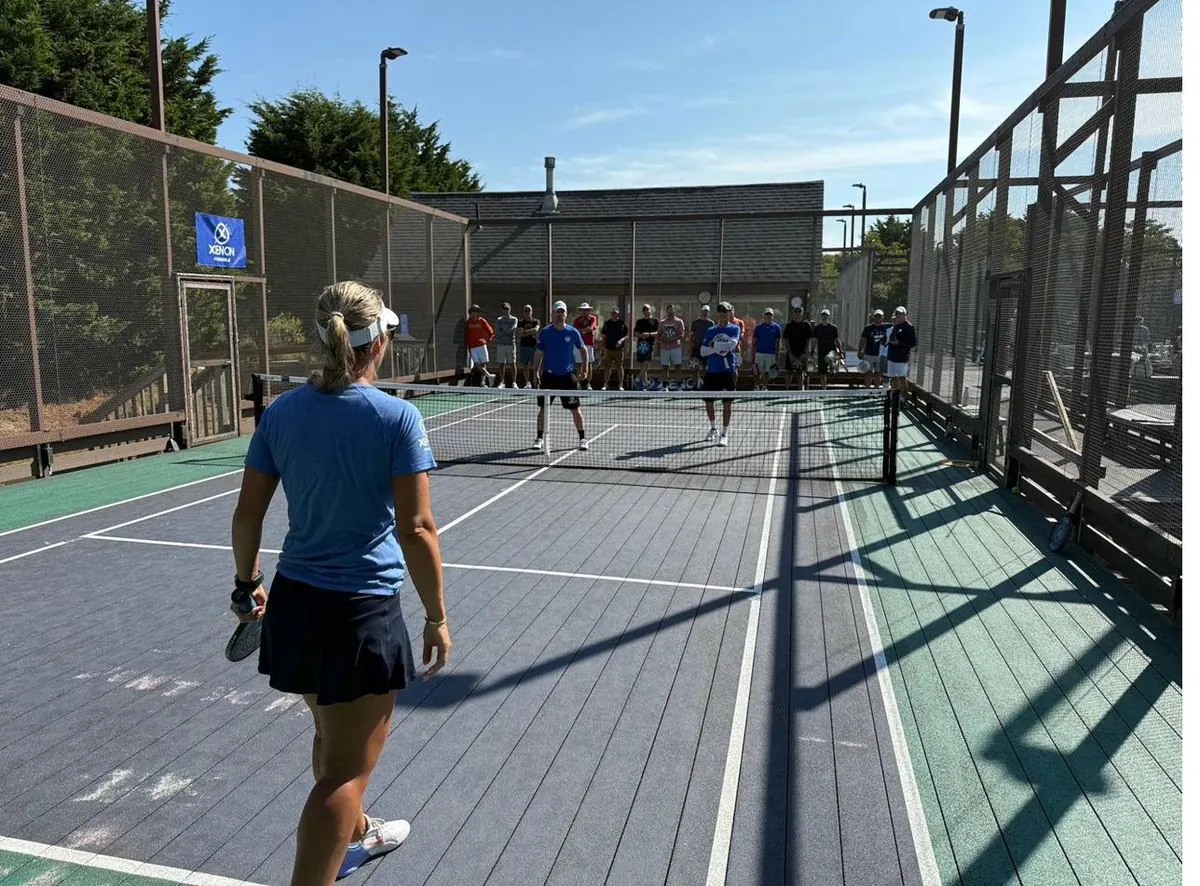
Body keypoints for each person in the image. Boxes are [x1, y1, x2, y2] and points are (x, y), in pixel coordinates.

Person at [231, 281, 450, 886]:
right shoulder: (396, 417)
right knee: (344, 774)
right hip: (360, 614)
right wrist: (436, 616)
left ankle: (359, 833)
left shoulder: (281, 413)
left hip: (295, 605)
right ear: (378, 341)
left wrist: (247, 582)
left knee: (331, 735)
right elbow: (418, 528)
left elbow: (248, 514)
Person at [534, 300, 589, 452]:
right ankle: (539, 438)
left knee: (576, 409)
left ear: (566, 314)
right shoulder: (545, 332)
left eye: (562, 312)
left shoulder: (572, 332)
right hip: (549, 377)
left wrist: (585, 370)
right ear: (553, 313)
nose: (560, 315)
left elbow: (583, 349)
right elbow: (539, 353)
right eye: (557, 312)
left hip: (567, 378)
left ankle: (583, 438)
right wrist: (536, 373)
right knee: (543, 409)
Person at [699, 302, 742, 447]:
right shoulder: (711, 330)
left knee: (727, 404)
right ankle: (713, 428)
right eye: (720, 311)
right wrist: (719, 348)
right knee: (709, 402)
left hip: (727, 371)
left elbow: (732, 346)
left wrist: (713, 346)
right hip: (712, 372)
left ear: (730, 312)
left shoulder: (735, 328)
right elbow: (703, 351)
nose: (722, 313)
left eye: (725, 311)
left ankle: (724, 433)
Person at [885, 306, 918, 396]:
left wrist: (899, 343)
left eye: (900, 314)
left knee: (901, 376)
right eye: (897, 314)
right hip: (892, 356)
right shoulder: (896, 326)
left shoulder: (909, 327)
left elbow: (912, 342)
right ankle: (895, 394)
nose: (898, 316)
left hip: (902, 357)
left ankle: (904, 395)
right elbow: (892, 338)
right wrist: (892, 341)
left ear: (905, 315)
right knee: (893, 376)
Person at [780, 306, 812, 390]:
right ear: (794, 314)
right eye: (796, 312)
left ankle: (800, 390)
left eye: (799, 312)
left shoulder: (806, 325)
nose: (798, 314)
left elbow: (808, 340)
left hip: (802, 353)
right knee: (788, 372)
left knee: (800, 372)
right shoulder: (789, 325)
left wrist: (805, 353)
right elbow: (785, 340)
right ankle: (787, 390)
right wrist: (789, 353)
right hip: (791, 353)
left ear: (802, 313)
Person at [811, 309, 843, 389]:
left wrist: (840, 351)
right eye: (823, 315)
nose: (825, 317)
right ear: (821, 316)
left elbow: (837, 340)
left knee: (829, 357)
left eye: (826, 315)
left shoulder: (833, 328)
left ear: (829, 316)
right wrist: (812, 350)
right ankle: (823, 388)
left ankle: (832, 368)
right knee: (822, 373)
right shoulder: (817, 328)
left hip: (831, 351)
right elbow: (814, 340)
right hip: (821, 351)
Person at [751, 308, 782, 388]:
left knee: (767, 371)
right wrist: (753, 353)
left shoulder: (776, 327)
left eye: (770, 315)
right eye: (766, 315)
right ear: (763, 316)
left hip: (771, 353)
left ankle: (765, 386)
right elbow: (754, 342)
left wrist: (777, 352)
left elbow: (778, 342)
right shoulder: (758, 328)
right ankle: (757, 386)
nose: (768, 316)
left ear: (773, 316)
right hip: (759, 353)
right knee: (757, 371)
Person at [598, 306, 628, 390]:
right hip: (608, 349)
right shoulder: (607, 323)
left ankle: (621, 385)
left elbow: (627, 335)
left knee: (619, 367)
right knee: (607, 367)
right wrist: (602, 348)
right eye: (612, 313)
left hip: (619, 350)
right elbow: (604, 336)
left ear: (618, 314)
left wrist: (621, 341)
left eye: (615, 313)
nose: (614, 314)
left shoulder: (622, 323)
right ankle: (605, 384)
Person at [857, 309, 889, 388]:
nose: (878, 318)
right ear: (873, 317)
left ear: (883, 317)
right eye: (876, 316)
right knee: (868, 372)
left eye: (879, 316)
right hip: (869, 354)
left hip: (881, 355)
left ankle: (876, 390)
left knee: (878, 373)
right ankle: (867, 389)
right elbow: (862, 340)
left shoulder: (887, 327)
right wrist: (860, 350)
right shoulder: (868, 328)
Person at [658, 303, 686, 390]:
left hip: (676, 348)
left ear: (674, 310)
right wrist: (664, 339)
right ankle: (664, 386)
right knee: (665, 367)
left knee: (678, 366)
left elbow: (682, 335)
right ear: (667, 311)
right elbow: (659, 335)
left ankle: (679, 386)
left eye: (672, 309)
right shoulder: (662, 322)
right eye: (669, 309)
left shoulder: (679, 321)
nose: (670, 311)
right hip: (664, 348)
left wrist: (672, 339)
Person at [465, 305, 495, 386]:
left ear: (478, 313)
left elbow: (490, 331)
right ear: (470, 313)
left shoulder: (482, 321)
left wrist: (489, 339)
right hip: (472, 347)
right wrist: (468, 348)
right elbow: (467, 336)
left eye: (475, 311)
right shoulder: (468, 323)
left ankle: (483, 382)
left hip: (481, 346)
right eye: (472, 312)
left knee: (483, 364)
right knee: (476, 364)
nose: (473, 313)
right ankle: (489, 376)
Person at [572, 303, 598, 387]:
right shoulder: (577, 320)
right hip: (578, 344)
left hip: (589, 344)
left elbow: (591, 328)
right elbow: (576, 330)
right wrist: (585, 330)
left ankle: (588, 383)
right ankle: (578, 382)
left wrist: (582, 330)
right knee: (578, 363)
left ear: (589, 311)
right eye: (583, 310)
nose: (584, 311)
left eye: (586, 310)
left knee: (589, 363)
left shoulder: (593, 318)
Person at [633, 304, 659, 390]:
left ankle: (637, 379)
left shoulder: (655, 321)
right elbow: (635, 333)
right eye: (644, 309)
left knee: (647, 363)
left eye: (647, 309)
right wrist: (641, 335)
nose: (646, 311)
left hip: (650, 345)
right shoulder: (639, 321)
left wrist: (648, 334)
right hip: (641, 346)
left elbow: (658, 333)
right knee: (642, 366)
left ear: (651, 310)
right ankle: (645, 384)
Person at [493, 303, 519, 388]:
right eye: (504, 309)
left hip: (511, 344)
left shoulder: (514, 319)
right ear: (502, 310)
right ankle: (501, 382)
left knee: (512, 364)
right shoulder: (499, 319)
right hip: (501, 344)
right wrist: (505, 332)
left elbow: (513, 329)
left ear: (510, 309)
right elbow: (497, 331)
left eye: (507, 309)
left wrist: (504, 331)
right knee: (501, 364)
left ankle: (514, 382)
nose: (506, 310)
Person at [516, 305, 540, 389]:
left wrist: (525, 332)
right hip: (524, 346)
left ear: (531, 311)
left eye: (528, 310)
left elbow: (536, 330)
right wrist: (530, 332)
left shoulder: (536, 321)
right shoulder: (520, 322)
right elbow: (520, 333)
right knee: (525, 366)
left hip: (533, 346)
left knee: (535, 365)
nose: (527, 312)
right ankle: (527, 383)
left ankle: (536, 381)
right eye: (525, 310)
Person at [690, 305, 715, 387]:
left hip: (706, 349)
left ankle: (704, 385)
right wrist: (690, 347)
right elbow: (691, 336)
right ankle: (695, 385)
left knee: (705, 368)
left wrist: (711, 348)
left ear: (708, 313)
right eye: (704, 311)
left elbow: (713, 337)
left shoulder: (711, 323)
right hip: (696, 348)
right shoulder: (695, 323)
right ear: (701, 311)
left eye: (707, 311)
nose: (705, 313)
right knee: (695, 367)